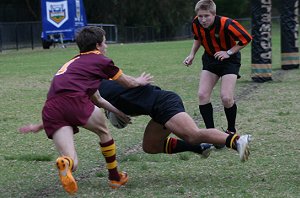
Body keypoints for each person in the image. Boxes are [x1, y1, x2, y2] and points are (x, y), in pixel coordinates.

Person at [24, 26, 153, 195]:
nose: (106, 46)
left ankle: (65, 163)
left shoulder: (73, 64)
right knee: (104, 133)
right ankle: (115, 178)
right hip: (75, 102)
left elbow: (97, 99)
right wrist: (139, 81)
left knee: (72, 162)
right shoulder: (100, 60)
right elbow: (127, 83)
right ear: (98, 45)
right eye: (105, 43)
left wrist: (40, 126)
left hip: (51, 110)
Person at [20, 80, 252, 172]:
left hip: (164, 103)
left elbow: (68, 113)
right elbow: (68, 113)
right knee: (150, 146)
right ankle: (198, 148)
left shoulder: (96, 89)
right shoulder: (98, 89)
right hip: (157, 109)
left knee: (192, 133)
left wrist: (117, 112)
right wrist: (41, 126)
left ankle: (236, 140)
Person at [183, 0, 252, 148]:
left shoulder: (227, 23)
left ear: (214, 14)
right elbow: (198, 38)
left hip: (229, 61)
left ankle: (231, 131)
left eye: (206, 16)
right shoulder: (196, 23)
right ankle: (211, 135)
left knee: (226, 98)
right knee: (202, 95)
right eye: (200, 16)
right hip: (210, 59)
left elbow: (247, 38)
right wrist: (192, 55)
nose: (203, 20)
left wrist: (228, 52)